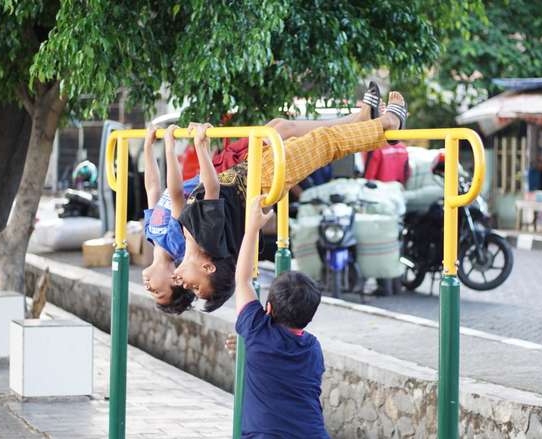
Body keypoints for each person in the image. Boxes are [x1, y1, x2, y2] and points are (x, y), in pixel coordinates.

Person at [173, 88, 408, 312]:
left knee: (287, 130)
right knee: (326, 143)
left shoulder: (192, 237)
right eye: (196, 286)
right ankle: (387, 125)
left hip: (254, 168)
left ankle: (361, 120)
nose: (186, 286)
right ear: (207, 267)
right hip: (264, 176)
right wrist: (200, 145)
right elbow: (212, 187)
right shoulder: (206, 240)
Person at [234, 195, 330, 438]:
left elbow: (242, 279)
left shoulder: (257, 330)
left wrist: (253, 228)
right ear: (310, 316)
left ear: (269, 309)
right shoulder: (312, 348)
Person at [141, 124, 199, 314]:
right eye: (158, 292)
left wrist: (148, 148)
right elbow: (176, 194)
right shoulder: (177, 245)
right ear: (175, 279)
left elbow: (152, 189)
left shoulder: (152, 236)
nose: (148, 288)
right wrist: (169, 147)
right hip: (213, 173)